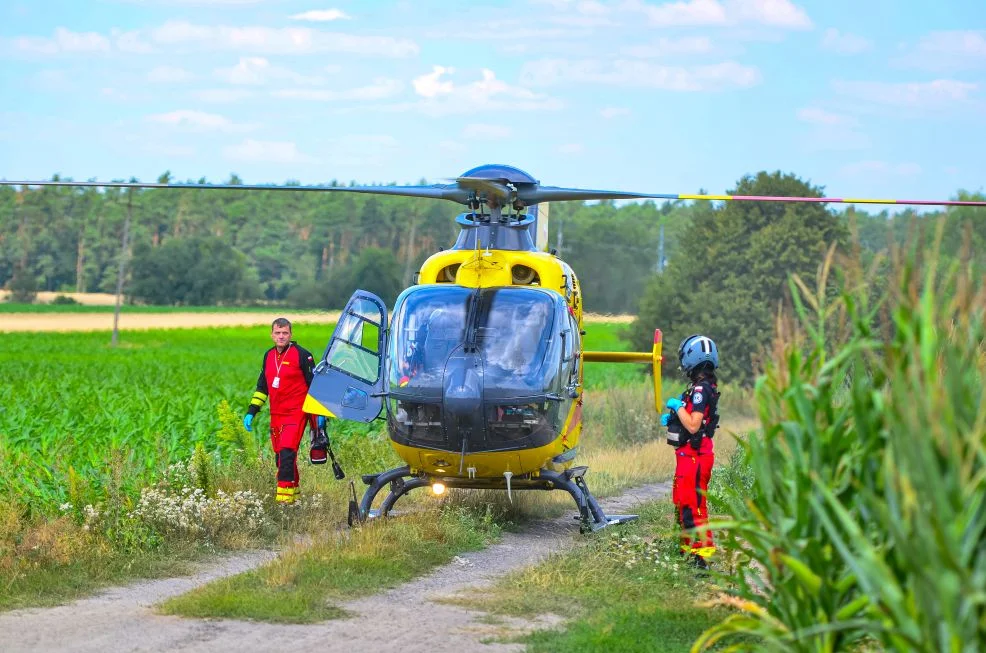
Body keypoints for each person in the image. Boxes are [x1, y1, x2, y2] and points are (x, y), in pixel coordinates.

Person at [243, 318, 323, 505]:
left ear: (291, 335)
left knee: (287, 452)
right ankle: (293, 497)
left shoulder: (303, 355)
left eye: (285, 333)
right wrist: (251, 412)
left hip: (297, 413)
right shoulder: (268, 356)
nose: (281, 336)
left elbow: (315, 387)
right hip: (276, 414)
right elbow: (262, 387)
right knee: (281, 457)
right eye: (277, 333)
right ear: (272, 335)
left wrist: (319, 418)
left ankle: (283, 504)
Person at [662, 334, 721, 570]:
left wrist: (677, 407)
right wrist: (675, 416)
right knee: (684, 503)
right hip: (689, 456)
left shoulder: (699, 390)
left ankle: (702, 558)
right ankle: (686, 551)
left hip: (696, 457)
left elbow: (694, 425)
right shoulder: (704, 388)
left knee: (695, 505)